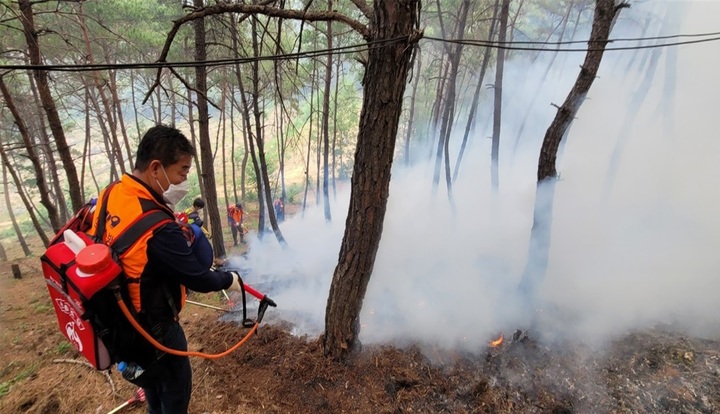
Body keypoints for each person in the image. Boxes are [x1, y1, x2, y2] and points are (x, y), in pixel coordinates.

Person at [89, 124, 243, 414]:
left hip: (122, 323)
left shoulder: (112, 193)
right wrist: (228, 279)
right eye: (182, 171)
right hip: (155, 330)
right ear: (156, 168)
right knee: (174, 390)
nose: (185, 179)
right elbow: (198, 278)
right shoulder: (158, 226)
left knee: (153, 387)